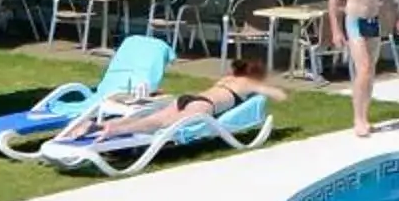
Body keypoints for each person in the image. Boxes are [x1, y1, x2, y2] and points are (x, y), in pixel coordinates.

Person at [61, 66, 285, 153]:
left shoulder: (226, 78)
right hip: (203, 106)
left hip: (188, 98)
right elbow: (279, 95)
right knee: (156, 124)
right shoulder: (247, 84)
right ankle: (113, 130)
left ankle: (102, 125)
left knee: (155, 118)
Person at [325, 0, 396, 139]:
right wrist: (336, 29)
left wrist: (397, 16)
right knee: (363, 68)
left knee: (370, 71)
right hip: (354, 19)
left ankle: (364, 116)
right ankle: (357, 119)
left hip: (372, 21)